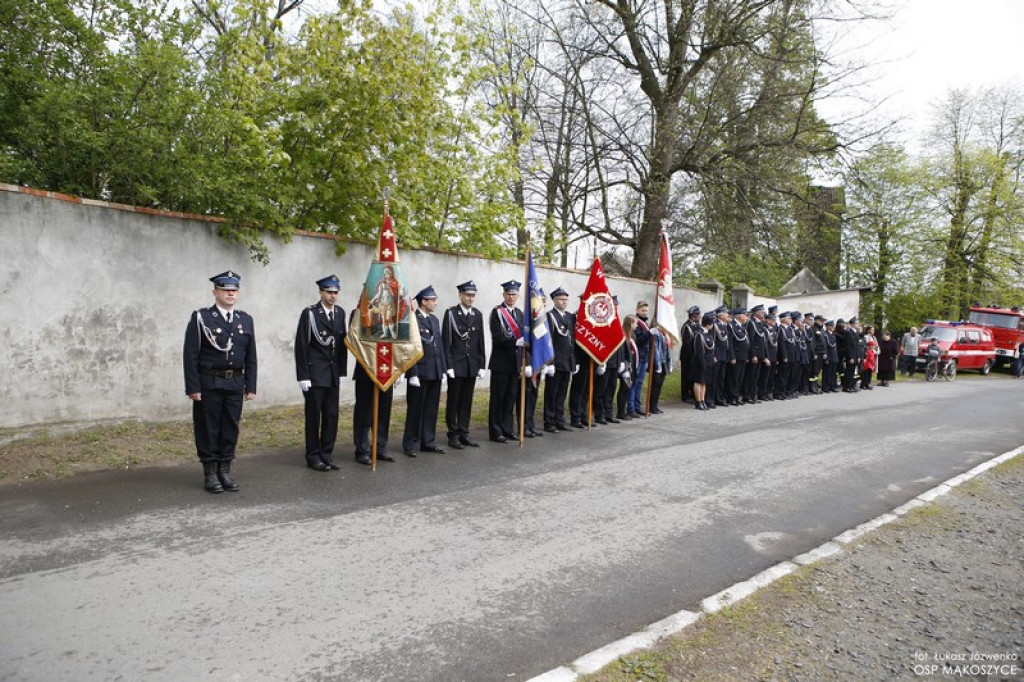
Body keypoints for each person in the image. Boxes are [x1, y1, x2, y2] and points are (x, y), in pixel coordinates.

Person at [183, 270, 257, 493]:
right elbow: (190, 355)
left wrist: (250, 385)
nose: (231, 294)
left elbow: (251, 356)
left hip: (235, 382)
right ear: (215, 292)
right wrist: (193, 386)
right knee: (208, 427)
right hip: (209, 382)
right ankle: (210, 472)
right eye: (226, 290)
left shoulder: (245, 319)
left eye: (234, 290)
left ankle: (225, 469)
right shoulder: (201, 318)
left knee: (230, 427)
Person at [294, 274, 348, 472]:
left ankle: (327, 454)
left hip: (333, 374)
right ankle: (313, 456)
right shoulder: (310, 313)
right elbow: (301, 345)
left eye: (336, 292)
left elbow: (342, 346)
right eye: (329, 292)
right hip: (315, 374)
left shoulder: (340, 313)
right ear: (321, 293)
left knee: (332, 416)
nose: (333, 296)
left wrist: (342, 371)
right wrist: (303, 376)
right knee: (314, 417)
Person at [402, 286, 447, 457]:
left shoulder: (434, 320)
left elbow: (439, 346)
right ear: (424, 301)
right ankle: (411, 443)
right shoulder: (413, 319)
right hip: (420, 372)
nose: (436, 303)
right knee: (415, 409)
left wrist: (442, 369)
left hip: (434, 371)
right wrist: (412, 373)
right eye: (433, 300)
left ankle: (428, 441)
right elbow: (409, 348)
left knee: (431, 408)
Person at [443, 281, 486, 449]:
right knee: (454, 400)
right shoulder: (451, 314)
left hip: (471, 364)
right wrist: (449, 365)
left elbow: (480, 341)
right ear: (460, 295)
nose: (471, 298)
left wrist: (481, 363)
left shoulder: (478, 315)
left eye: (473, 295)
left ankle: (464, 432)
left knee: (467, 401)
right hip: (457, 364)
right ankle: (452, 434)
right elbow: (447, 341)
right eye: (468, 295)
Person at [488, 280, 525, 443]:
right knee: (498, 398)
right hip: (500, 362)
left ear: (518, 295)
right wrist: (515, 342)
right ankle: (495, 431)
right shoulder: (497, 312)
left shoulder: (520, 314)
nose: (511, 297)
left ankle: (507, 428)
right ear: (503, 295)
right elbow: (497, 335)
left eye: (514, 294)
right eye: (508, 294)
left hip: (515, 363)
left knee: (510, 397)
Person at [543, 287, 576, 432]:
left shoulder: (569, 316)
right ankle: (549, 421)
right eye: (561, 299)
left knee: (562, 393)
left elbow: (572, 339)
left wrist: (575, 361)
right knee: (552, 393)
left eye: (566, 299)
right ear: (554, 301)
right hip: (556, 361)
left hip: (567, 360)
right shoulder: (549, 316)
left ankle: (559, 419)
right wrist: (550, 362)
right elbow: (548, 340)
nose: (564, 302)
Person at [628, 301, 653, 415]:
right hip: (637, 357)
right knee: (634, 382)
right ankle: (631, 407)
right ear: (637, 310)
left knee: (640, 383)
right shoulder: (636, 322)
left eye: (646, 310)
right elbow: (638, 340)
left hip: (645, 357)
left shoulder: (645, 323)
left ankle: (638, 406)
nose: (644, 312)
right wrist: (649, 334)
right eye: (642, 310)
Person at [692, 311, 717, 410]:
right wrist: (703, 363)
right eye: (712, 323)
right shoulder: (699, 335)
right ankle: (698, 402)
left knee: (704, 382)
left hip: (708, 362)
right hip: (701, 362)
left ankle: (703, 400)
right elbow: (699, 351)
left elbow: (710, 349)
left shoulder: (708, 335)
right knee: (699, 381)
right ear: (708, 324)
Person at [616, 315, 638, 420]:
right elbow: (622, 351)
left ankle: (623, 411)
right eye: (635, 323)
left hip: (631, 365)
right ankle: (620, 412)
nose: (636, 325)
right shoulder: (623, 335)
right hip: (625, 366)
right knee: (624, 388)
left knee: (627, 388)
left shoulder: (632, 336)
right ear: (630, 324)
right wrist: (623, 364)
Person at [679, 306, 701, 403]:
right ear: (693, 316)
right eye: (698, 315)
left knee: (693, 376)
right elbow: (687, 343)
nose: (699, 317)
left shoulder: (697, 326)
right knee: (686, 376)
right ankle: (685, 395)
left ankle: (692, 393)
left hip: (695, 356)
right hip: (688, 356)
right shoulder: (687, 326)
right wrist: (692, 355)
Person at [647, 323, 671, 414]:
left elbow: (668, 349)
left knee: (659, 385)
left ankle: (655, 405)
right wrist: (657, 365)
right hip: (657, 362)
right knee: (655, 385)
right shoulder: (656, 334)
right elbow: (655, 349)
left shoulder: (664, 334)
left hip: (664, 361)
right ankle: (651, 406)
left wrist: (669, 362)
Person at [860, 325, 878, 389]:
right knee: (865, 374)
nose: (873, 331)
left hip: (871, 363)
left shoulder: (874, 337)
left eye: (873, 330)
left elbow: (876, 346)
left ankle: (867, 383)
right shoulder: (866, 337)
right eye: (872, 330)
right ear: (868, 330)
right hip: (867, 364)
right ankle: (864, 384)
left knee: (869, 374)